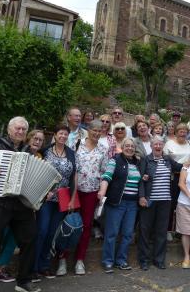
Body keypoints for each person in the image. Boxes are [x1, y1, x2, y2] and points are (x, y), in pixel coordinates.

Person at [0, 117, 40, 292]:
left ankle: (23, 281)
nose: (21, 132)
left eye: (24, 129)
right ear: (9, 129)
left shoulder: (28, 151)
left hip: (21, 204)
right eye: (18, 128)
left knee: (30, 238)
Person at [64, 120, 108, 276]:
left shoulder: (103, 149)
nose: (96, 133)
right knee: (68, 223)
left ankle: (80, 260)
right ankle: (62, 258)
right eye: (94, 130)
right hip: (73, 191)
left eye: (99, 131)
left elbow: (104, 172)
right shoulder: (76, 144)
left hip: (91, 191)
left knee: (86, 226)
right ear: (88, 130)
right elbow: (68, 166)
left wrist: (102, 191)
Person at [34, 124, 77, 280]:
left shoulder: (71, 153)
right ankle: (33, 267)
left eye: (66, 134)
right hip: (46, 198)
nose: (63, 136)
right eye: (61, 133)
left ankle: (44, 266)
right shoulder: (45, 151)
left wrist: (72, 199)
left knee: (52, 233)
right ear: (55, 135)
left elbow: (74, 177)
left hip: (63, 199)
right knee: (42, 231)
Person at [138, 137, 183, 270]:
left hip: (165, 201)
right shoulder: (146, 159)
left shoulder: (167, 159)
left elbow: (180, 167)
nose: (158, 146)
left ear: (163, 146)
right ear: (151, 146)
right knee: (145, 231)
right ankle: (144, 260)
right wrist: (141, 196)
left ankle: (159, 259)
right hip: (149, 200)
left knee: (161, 231)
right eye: (155, 144)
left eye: (160, 144)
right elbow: (140, 179)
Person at [98, 138, 142, 272]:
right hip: (117, 202)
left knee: (128, 234)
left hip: (133, 204)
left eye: (132, 146)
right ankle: (108, 261)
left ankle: (121, 260)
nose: (130, 148)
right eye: (127, 146)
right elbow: (107, 176)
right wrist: (102, 190)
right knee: (112, 233)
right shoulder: (115, 160)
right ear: (122, 147)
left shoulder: (138, 162)